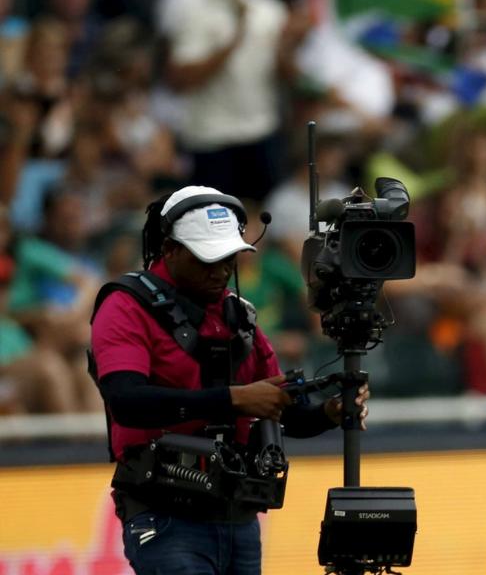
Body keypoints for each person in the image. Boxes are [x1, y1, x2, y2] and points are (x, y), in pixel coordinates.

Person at [90, 186, 370, 575]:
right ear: (170, 249)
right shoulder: (125, 305)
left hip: (238, 517)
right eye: (208, 257)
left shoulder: (240, 316)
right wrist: (234, 399)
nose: (221, 269)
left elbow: (283, 410)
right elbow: (126, 401)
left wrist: (329, 411)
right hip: (164, 515)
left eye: (229, 257)